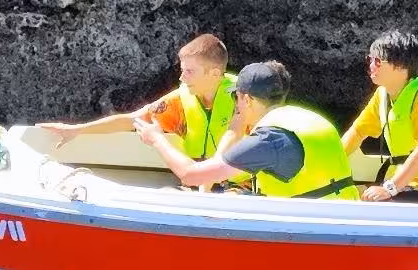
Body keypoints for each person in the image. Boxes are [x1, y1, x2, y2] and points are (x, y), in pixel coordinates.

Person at [134, 61, 358, 200]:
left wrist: (157, 140)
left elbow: (191, 175)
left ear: (247, 99)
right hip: (341, 218)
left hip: (310, 236)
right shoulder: (307, 119)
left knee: (170, 195)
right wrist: (234, 131)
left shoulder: (267, 141)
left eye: (236, 97)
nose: (236, 105)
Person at [41, 34, 237, 161]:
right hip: (197, 182)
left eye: (190, 72)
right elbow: (131, 120)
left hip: (238, 187)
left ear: (213, 74)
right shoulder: (181, 100)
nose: (181, 78)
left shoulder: (246, 99)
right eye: (182, 70)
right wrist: (76, 130)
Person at [341, 31, 418, 203]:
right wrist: (330, 163)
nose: (371, 66)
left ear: (400, 66)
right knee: (346, 195)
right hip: (405, 185)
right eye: (370, 60)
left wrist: (389, 188)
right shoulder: (382, 95)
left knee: (377, 205)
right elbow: (357, 133)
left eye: (377, 61)